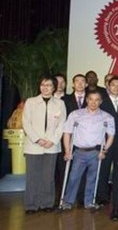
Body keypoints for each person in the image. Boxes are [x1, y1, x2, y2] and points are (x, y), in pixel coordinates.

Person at [61, 90, 115, 210]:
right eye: (91, 99)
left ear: (100, 102)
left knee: (92, 179)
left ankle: (89, 202)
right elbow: (67, 133)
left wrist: (104, 150)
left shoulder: (107, 117)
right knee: (73, 177)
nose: (93, 102)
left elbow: (111, 135)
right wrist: (67, 151)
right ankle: (68, 201)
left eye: (97, 100)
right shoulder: (75, 114)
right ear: (87, 100)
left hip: (95, 152)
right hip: (79, 152)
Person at [22, 75, 67, 214]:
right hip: (33, 145)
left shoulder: (60, 103)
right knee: (32, 176)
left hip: (52, 145)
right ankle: (31, 205)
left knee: (48, 176)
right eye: (43, 85)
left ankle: (47, 203)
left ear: (54, 88)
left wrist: (52, 140)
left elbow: (62, 124)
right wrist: (37, 139)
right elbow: (26, 123)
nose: (45, 88)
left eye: (49, 85)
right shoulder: (30, 102)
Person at [96, 76, 118, 206]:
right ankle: (102, 196)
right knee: (103, 169)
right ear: (108, 87)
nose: (116, 88)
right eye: (113, 85)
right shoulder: (102, 103)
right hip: (105, 141)